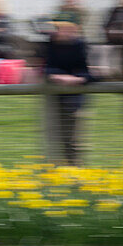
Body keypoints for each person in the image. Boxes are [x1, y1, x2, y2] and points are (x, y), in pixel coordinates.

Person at [42, 22, 92, 165]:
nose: (62, 32)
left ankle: (74, 168)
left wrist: (76, 79)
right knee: (54, 135)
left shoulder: (80, 46)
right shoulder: (52, 45)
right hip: (55, 97)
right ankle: (57, 168)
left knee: (72, 137)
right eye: (59, 29)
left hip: (75, 98)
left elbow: (89, 72)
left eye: (67, 29)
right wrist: (57, 77)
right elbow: (48, 69)